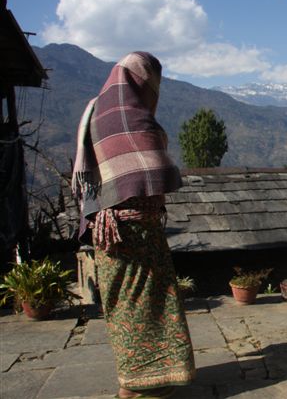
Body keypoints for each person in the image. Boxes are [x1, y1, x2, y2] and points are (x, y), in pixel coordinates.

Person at [72, 52, 195, 399]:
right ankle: (152, 382)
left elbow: (92, 174)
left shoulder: (92, 113)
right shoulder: (139, 122)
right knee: (153, 303)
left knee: (123, 305)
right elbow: (153, 166)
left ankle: (131, 381)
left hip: (104, 231)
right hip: (138, 230)